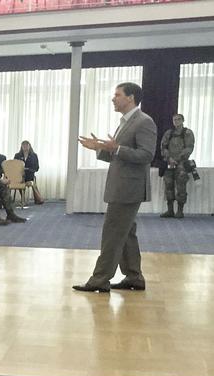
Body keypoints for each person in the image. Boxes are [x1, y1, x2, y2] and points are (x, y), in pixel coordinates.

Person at [74, 82, 156, 293]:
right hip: (123, 186)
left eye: (117, 95)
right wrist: (100, 149)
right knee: (126, 233)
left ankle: (100, 279)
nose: (113, 98)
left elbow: (147, 155)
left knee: (112, 233)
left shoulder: (143, 122)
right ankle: (134, 277)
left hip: (128, 189)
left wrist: (117, 148)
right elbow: (118, 156)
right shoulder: (126, 122)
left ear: (130, 98)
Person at [159, 113, 196, 219]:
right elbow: (163, 147)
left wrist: (178, 158)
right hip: (169, 163)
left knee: (181, 187)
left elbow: (189, 147)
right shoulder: (169, 133)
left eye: (179, 119)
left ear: (183, 120)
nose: (176, 121)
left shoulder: (187, 133)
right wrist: (169, 158)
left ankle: (180, 211)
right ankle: (170, 210)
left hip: (181, 164)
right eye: (174, 119)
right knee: (168, 187)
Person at [13, 141, 45, 205]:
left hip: (29, 175)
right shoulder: (17, 155)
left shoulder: (34, 155)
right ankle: (23, 198)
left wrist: (28, 169)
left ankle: (38, 199)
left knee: (31, 182)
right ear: (21, 147)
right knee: (19, 180)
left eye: (26, 145)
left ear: (29, 146)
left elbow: (36, 168)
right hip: (19, 175)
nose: (25, 147)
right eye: (23, 146)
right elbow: (14, 166)